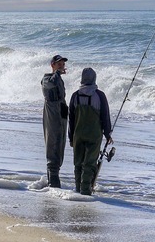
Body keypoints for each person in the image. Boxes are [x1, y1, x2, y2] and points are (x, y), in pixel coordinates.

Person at [67, 67, 113, 196]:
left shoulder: (75, 95)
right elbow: (105, 116)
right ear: (94, 79)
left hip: (78, 135)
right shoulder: (99, 95)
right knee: (90, 163)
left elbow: (71, 119)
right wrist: (108, 134)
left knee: (78, 163)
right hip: (94, 135)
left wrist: (71, 138)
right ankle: (86, 190)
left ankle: (77, 188)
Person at [40, 53, 69, 188]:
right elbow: (51, 84)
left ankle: (53, 182)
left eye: (63, 64)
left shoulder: (59, 80)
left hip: (61, 117)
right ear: (52, 65)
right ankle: (53, 184)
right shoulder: (47, 79)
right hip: (52, 116)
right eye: (59, 64)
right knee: (53, 146)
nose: (62, 67)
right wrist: (57, 73)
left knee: (60, 146)